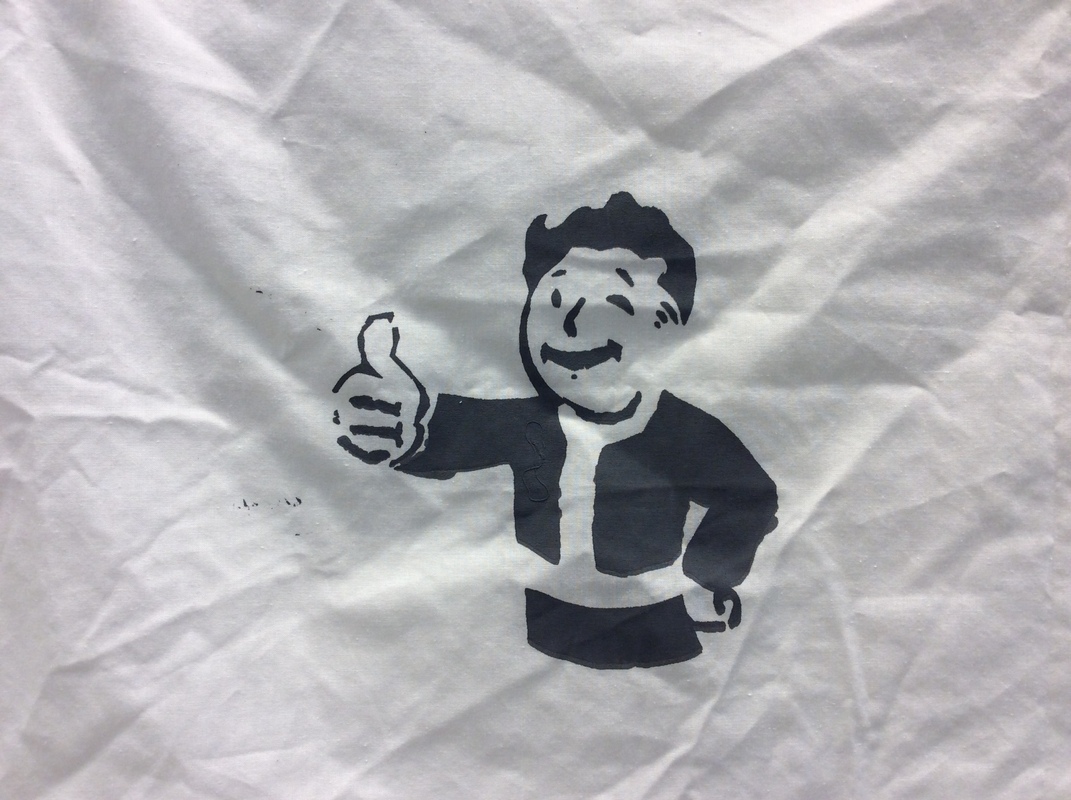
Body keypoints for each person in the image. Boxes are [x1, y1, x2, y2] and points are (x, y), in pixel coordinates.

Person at [333, 192, 778, 669]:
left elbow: (750, 496)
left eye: (608, 305)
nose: (569, 325)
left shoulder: (684, 435)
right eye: (554, 301)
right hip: (538, 621)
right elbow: (456, 429)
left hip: (656, 621)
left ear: (668, 322)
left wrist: (707, 574)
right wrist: (405, 426)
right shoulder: (531, 423)